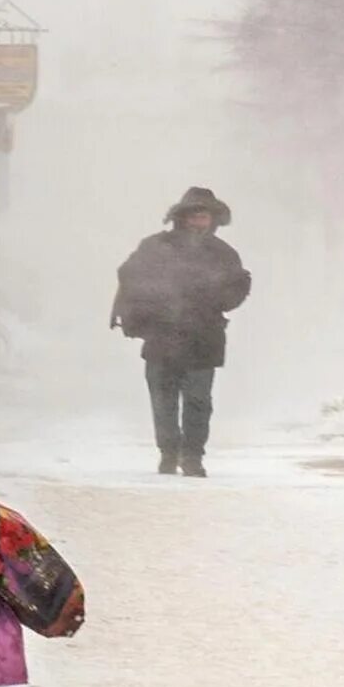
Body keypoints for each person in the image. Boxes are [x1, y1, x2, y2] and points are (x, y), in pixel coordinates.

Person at [110, 187, 252, 477]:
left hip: (204, 339)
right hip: (161, 338)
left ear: (213, 220)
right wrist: (135, 313)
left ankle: (193, 456)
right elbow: (129, 277)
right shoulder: (154, 247)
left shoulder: (224, 254)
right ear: (181, 217)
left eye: (205, 216)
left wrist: (217, 299)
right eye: (194, 216)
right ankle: (168, 452)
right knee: (163, 400)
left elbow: (237, 287)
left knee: (198, 401)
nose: (199, 222)